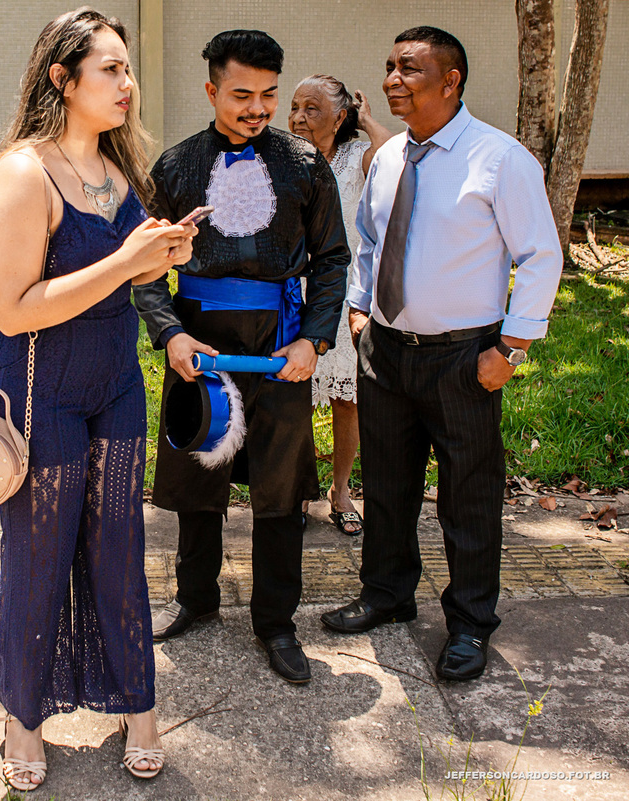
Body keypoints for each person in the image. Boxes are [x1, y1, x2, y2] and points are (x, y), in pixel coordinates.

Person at [0, 8, 195, 791]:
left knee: (118, 553)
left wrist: (157, 256)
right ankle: (22, 716)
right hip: (42, 391)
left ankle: (138, 703)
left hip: (114, 384)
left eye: (128, 69)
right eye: (111, 69)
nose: (128, 83)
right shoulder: (21, 173)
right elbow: (13, 309)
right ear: (61, 79)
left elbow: (129, 277)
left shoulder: (119, 168)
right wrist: (126, 260)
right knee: (38, 560)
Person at [320, 27, 563, 682]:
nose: (394, 80)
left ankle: (470, 625)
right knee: (390, 484)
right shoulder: (391, 155)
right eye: (391, 66)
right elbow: (369, 241)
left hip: (465, 358)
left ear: (450, 80)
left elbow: (541, 255)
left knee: (469, 497)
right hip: (388, 352)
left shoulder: (499, 158)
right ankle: (388, 594)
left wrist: (510, 348)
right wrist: (361, 308)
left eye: (410, 69)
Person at [135, 30, 350, 684]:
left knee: (280, 488)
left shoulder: (305, 165)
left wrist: (313, 338)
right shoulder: (174, 168)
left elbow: (333, 259)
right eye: (241, 95)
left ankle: (276, 622)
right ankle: (196, 599)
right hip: (200, 339)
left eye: (268, 95)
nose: (257, 108)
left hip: (281, 342)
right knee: (202, 475)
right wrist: (171, 334)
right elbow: (145, 270)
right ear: (211, 91)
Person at [288, 75, 394, 536]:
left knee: (345, 399)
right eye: (294, 107)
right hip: (293, 291)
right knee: (294, 398)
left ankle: (342, 489)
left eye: (311, 108)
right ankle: (300, 490)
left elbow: (395, 160)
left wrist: (369, 121)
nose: (298, 117)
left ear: (340, 116)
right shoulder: (284, 156)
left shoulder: (357, 157)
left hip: (345, 291)